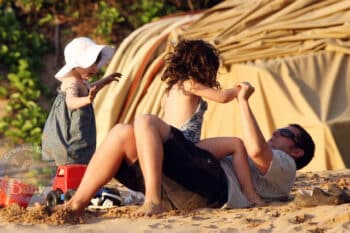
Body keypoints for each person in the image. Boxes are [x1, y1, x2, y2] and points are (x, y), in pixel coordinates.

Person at [132, 82, 315, 215]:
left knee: (146, 122)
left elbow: (256, 150)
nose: (275, 132)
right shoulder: (270, 166)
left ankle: (151, 198)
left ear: (297, 152)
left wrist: (243, 101)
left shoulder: (287, 164)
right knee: (125, 134)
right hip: (198, 182)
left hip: (211, 185)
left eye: (284, 133)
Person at [155, 39, 263, 204]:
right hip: (185, 145)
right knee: (237, 144)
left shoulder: (170, 91)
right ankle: (250, 193)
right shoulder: (190, 84)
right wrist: (240, 89)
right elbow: (223, 97)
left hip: (169, 146)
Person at [42, 37, 122, 166]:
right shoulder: (71, 82)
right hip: (70, 130)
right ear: (77, 64)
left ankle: (78, 178)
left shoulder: (79, 81)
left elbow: (89, 88)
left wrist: (106, 80)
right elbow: (70, 101)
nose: (95, 69)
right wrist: (88, 99)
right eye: (91, 64)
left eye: (96, 64)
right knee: (74, 154)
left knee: (83, 151)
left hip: (81, 127)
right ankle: (71, 181)